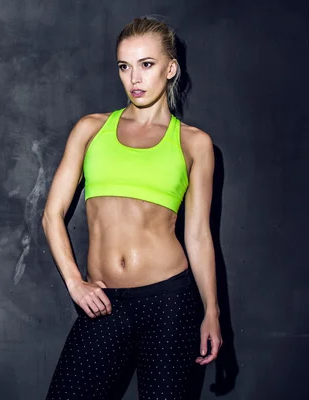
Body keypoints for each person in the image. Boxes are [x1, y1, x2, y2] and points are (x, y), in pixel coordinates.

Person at [42, 16, 222, 400]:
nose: (134, 78)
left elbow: (199, 234)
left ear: (170, 68)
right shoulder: (91, 129)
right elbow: (51, 214)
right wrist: (75, 282)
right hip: (104, 303)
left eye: (147, 64)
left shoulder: (194, 144)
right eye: (125, 66)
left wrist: (212, 312)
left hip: (170, 304)